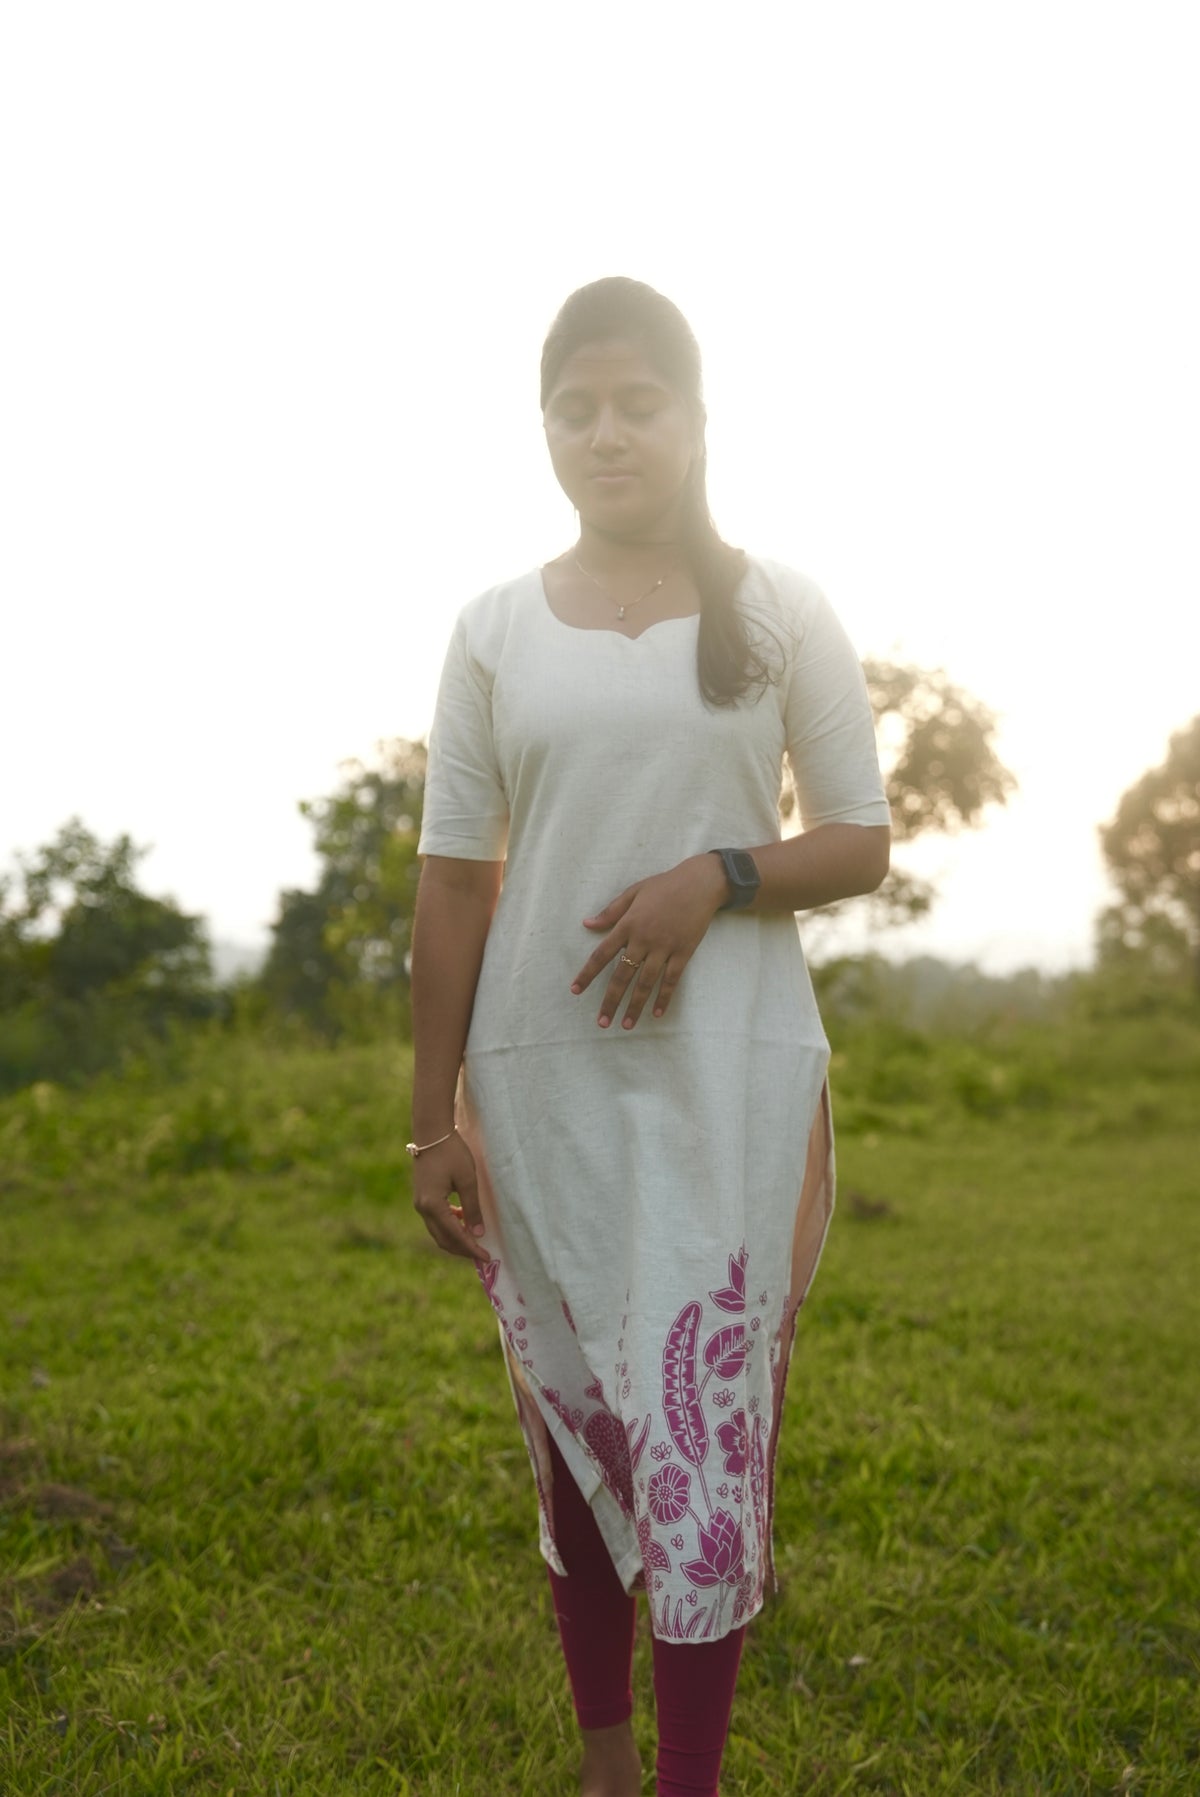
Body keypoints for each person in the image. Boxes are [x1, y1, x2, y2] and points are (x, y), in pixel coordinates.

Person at [409, 276, 891, 1797]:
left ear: (693, 420)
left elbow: (864, 839)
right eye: (576, 406)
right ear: (545, 427)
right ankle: (607, 1770)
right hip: (538, 1084)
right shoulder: (491, 630)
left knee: (701, 1440)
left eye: (638, 402)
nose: (606, 432)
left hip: (721, 1076)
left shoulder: (782, 612)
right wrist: (433, 1118)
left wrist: (719, 877)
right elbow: (452, 882)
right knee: (581, 1434)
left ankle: (689, 1782)